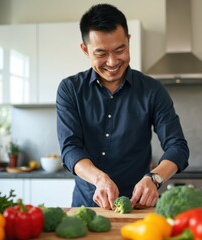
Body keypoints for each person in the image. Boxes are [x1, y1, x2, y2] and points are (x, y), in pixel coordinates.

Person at [56, 3, 189, 210]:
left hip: (139, 207)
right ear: (85, 49)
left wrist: (154, 178)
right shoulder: (70, 89)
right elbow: (70, 148)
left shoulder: (152, 90)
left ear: (128, 40)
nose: (112, 61)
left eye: (120, 49)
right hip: (86, 206)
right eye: (101, 53)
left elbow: (177, 147)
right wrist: (99, 179)